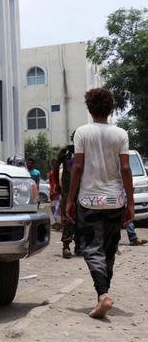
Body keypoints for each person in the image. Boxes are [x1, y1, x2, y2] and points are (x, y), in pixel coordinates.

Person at [65, 88, 133, 319]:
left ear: (89, 107)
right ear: (111, 108)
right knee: (109, 249)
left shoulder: (82, 133)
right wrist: (130, 203)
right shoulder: (121, 134)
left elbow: (78, 167)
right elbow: (125, 169)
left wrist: (70, 200)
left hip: (89, 199)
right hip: (115, 200)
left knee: (92, 248)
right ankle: (101, 295)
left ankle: (103, 295)